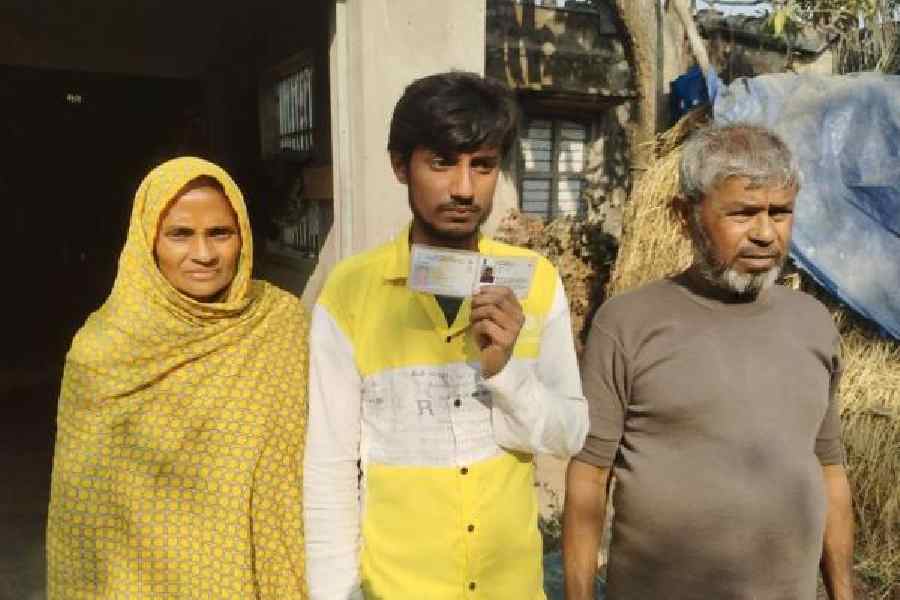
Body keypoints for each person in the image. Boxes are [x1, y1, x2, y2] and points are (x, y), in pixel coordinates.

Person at [304, 71, 589, 599]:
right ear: (400, 166)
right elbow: (330, 468)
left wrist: (506, 373)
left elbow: (567, 436)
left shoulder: (536, 281)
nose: (463, 188)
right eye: (441, 163)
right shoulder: (351, 292)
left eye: (482, 165)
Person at [562, 124, 855, 600]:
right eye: (742, 213)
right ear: (684, 217)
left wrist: (843, 593)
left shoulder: (813, 323)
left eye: (780, 212)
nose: (765, 233)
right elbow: (589, 476)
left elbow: (829, 470)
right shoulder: (628, 323)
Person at [46, 157, 309, 598]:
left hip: (251, 576)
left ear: (243, 236)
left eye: (220, 233)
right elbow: (84, 520)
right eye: (180, 234)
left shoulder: (278, 323)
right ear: (147, 241)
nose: (204, 254)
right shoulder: (104, 351)